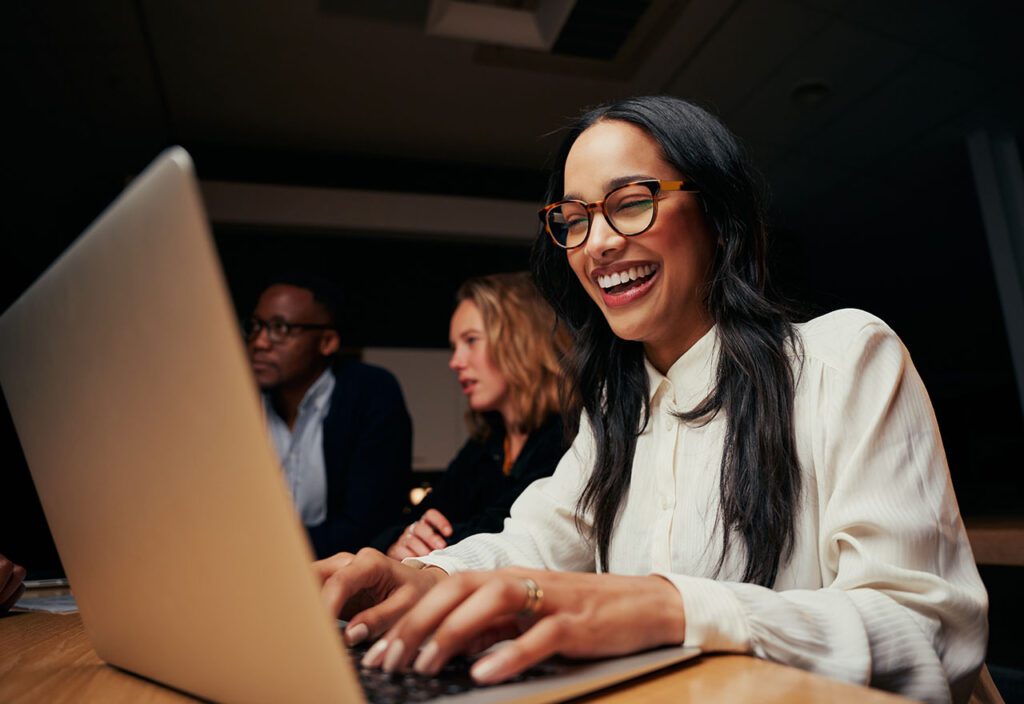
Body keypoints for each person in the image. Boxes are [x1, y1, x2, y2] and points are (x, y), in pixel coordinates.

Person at [314, 97, 987, 703]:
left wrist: (669, 609)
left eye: (631, 200)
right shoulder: (616, 406)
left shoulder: (844, 357)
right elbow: (535, 544)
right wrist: (425, 581)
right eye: (574, 218)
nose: (599, 243)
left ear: (718, 218)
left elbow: (929, 631)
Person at [370, 272, 570, 560]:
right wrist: (401, 540)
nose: (455, 362)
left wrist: (422, 540)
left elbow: (506, 534)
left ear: (521, 340)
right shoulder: (486, 445)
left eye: (471, 340)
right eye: (454, 347)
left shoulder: (570, 434)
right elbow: (415, 519)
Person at [246, 273, 412, 558]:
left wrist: (260, 548)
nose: (260, 342)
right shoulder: (237, 396)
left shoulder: (370, 394)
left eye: (280, 328)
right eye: (256, 326)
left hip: (338, 578)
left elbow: (368, 526)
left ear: (327, 342)